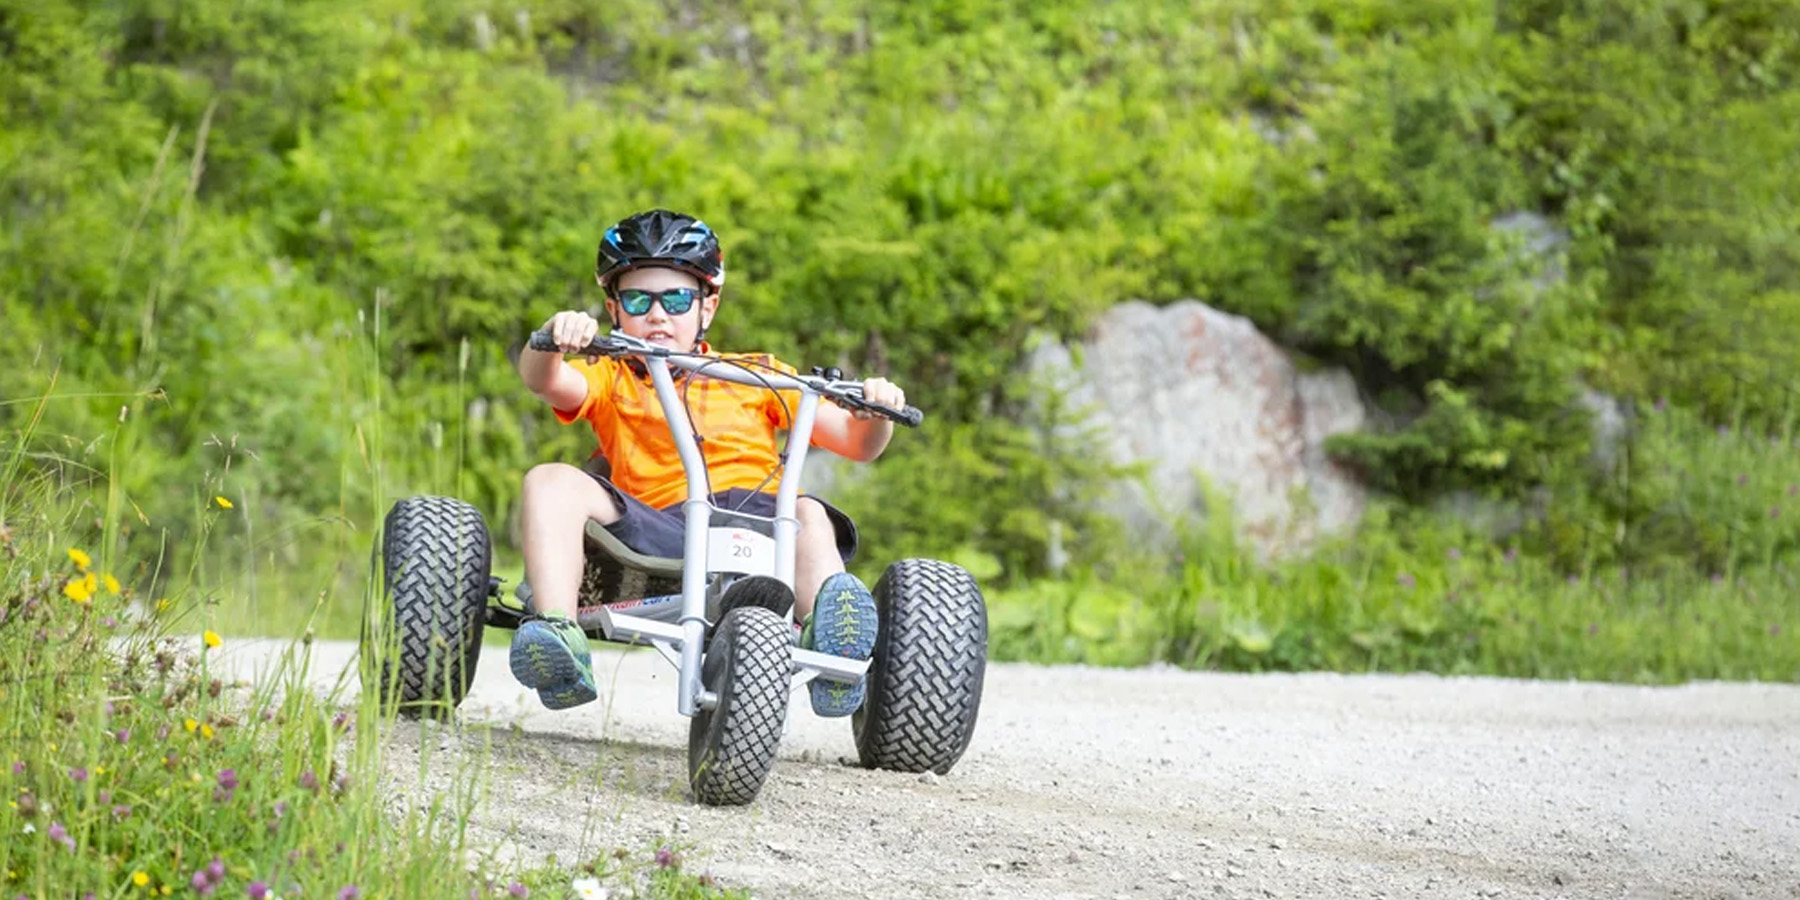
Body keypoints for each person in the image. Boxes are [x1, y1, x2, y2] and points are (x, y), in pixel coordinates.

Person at [510, 208, 906, 718]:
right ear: (614, 309)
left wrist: (880, 410)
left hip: (764, 520)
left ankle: (833, 644)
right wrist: (553, 336)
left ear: (708, 306)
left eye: (676, 299)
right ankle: (557, 634)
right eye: (638, 300)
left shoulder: (756, 374)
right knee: (548, 479)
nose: (657, 315)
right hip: (658, 526)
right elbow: (542, 380)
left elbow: (859, 443)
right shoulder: (612, 375)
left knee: (808, 513)